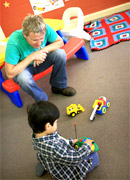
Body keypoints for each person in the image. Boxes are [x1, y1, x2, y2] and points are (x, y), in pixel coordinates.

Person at [5, 14, 76, 102]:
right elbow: (10, 73)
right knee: (24, 79)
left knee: (60, 54)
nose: (39, 43)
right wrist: (32, 56)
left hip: (41, 59)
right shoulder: (14, 42)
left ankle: (58, 87)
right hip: (23, 68)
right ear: (25, 35)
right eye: (34, 40)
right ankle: (42, 101)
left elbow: (60, 42)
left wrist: (41, 51)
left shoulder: (45, 28)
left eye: (41, 39)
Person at [27, 101, 99, 180]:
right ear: (48, 126)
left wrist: (71, 142)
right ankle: (54, 170)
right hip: (64, 171)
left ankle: (45, 163)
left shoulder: (37, 134)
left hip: (49, 156)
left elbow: (59, 140)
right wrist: (87, 146)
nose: (57, 123)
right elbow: (76, 158)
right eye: (56, 122)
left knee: (49, 155)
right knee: (94, 156)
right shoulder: (54, 148)